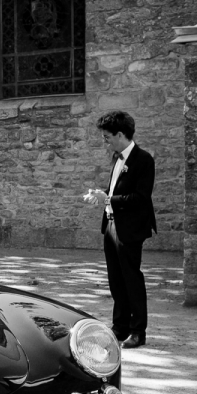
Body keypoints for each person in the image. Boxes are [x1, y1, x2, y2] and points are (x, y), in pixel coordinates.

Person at [83, 111, 156, 349]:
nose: (105, 141)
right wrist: (100, 196)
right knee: (115, 280)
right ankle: (119, 327)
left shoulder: (143, 159)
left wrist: (109, 199)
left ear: (121, 134)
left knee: (131, 279)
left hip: (130, 228)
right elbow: (114, 189)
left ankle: (138, 331)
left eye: (107, 137)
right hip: (111, 225)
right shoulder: (117, 157)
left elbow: (141, 198)